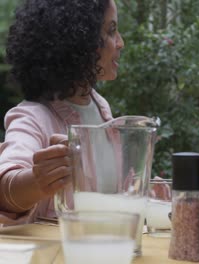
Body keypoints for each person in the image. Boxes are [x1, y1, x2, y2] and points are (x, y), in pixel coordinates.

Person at [0, 0, 124, 225]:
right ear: (80, 42)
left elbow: (108, 190)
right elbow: (5, 189)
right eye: (111, 31)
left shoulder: (101, 108)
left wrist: (148, 190)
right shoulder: (32, 117)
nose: (120, 43)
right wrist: (37, 181)